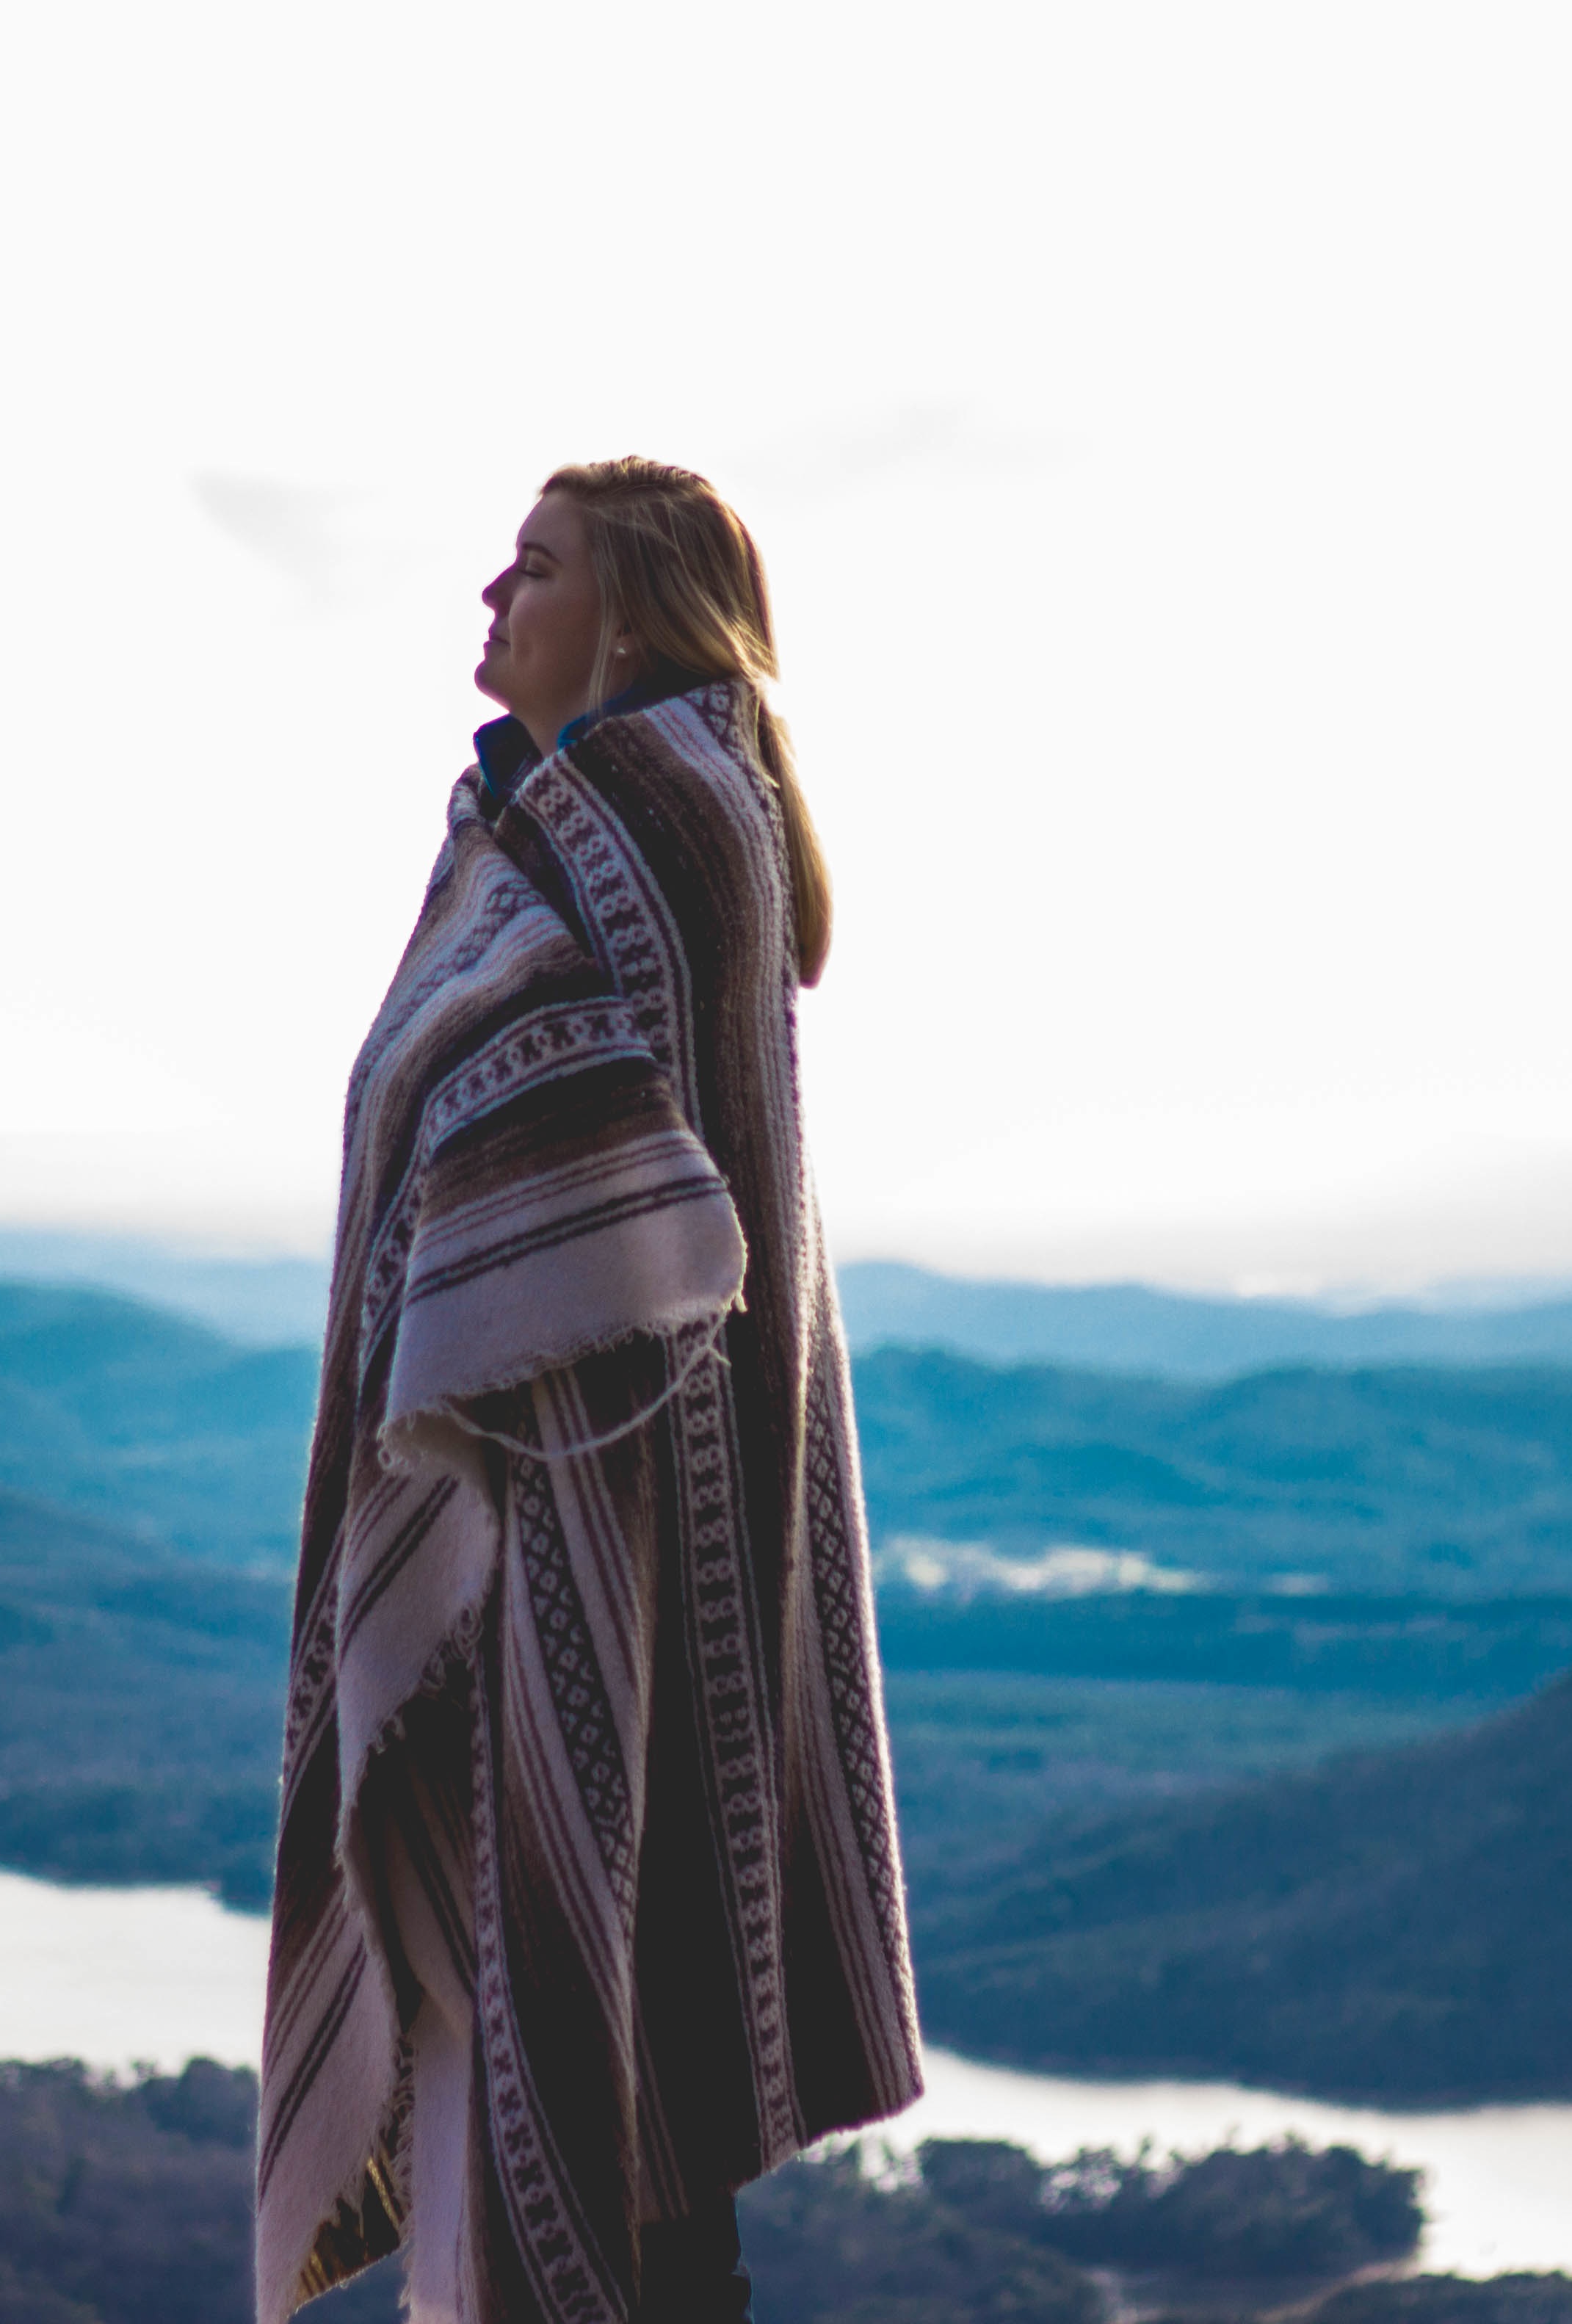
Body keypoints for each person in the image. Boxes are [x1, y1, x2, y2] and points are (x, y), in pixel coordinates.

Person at [258, 459, 924, 2324]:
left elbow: (549, 1149)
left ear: (630, 611)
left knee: (606, 2062)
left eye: (533, 563)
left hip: (590, 1517)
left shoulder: (644, 817)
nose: (491, 589)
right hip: (581, 1505)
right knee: (619, 2085)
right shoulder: (580, 819)